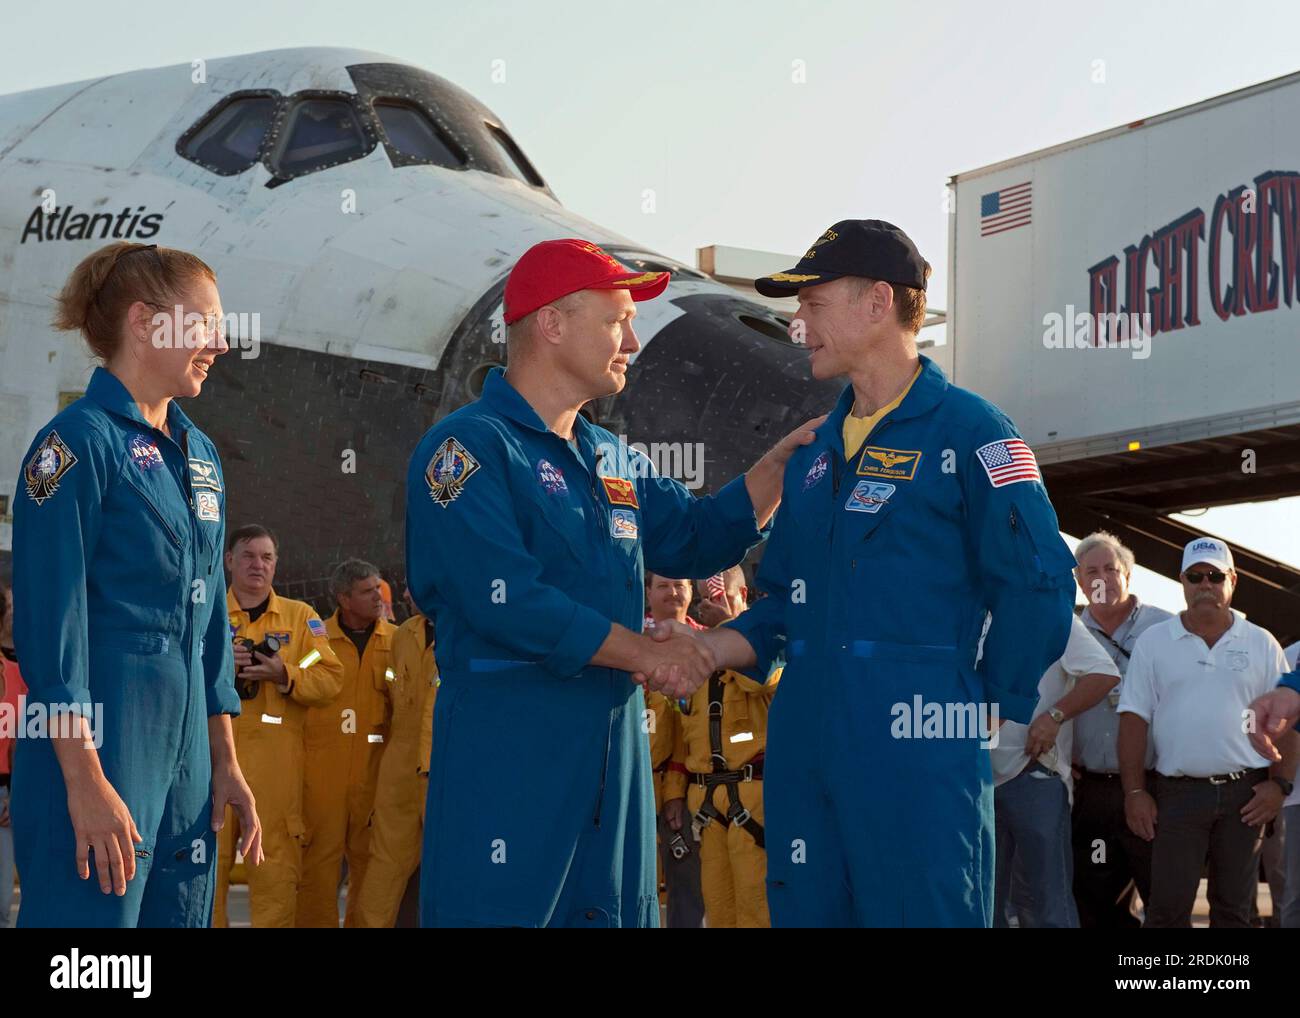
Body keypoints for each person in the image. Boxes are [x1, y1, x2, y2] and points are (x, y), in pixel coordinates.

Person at [648, 220, 1077, 927]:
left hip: (919, 743)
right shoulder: (814, 455)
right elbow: (786, 603)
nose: (798, 323)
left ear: (878, 303)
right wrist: (707, 648)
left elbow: (1039, 582)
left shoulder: (974, 432)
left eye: (813, 304)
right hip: (805, 742)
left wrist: (988, 701)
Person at [405, 237, 820, 927]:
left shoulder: (610, 455)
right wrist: (649, 654)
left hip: (616, 745)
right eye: (616, 320)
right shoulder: (468, 449)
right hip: (511, 744)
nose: (631, 339)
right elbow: (509, 601)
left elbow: (694, 536)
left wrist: (779, 463)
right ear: (552, 323)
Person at [10, 241, 261, 927]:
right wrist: (85, 782)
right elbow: (50, 630)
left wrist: (225, 762)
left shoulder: (200, 455)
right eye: (205, 322)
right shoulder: (74, 446)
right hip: (99, 750)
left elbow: (209, 624)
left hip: (186, 771)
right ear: (148, 322)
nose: (220, 342)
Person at [1120, 537, 1296, 927]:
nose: (1205, 585)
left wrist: (1279, 786)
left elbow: (1285, 721)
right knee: (1166, 911)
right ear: (1182, 581)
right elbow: (1133, 720)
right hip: (1176, 794)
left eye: (1215, 576)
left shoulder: (1261, 643)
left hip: (1244, 795)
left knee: (1235, 911)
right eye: (1196, 576)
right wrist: (1134, 792)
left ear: (1232, 580)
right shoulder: (1154, 643)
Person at [213, 525, 344, 927]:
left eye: (267, 557)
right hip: (212, 759)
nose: (258, 565)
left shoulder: (301, 617)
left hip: (276, 768)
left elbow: (331, 677)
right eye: (249, 555)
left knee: (274, 874)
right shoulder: (207, 611)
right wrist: (219, 666)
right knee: (204, 872)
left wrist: (284, 673)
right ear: (229, 560)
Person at [663, 566, 779, 928]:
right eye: (705, 599)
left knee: (755, 906)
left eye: (719, 594)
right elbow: (685, 736)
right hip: (707, 805)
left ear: (742, 596)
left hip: (752, 799)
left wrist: (732, 626)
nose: (709, 606)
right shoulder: (698, 660)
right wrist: (674, 794)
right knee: (717, 908)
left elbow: (766, 687)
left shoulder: (769, 646)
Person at [990, 614, 1118, 928]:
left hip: (1033, 774)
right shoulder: (961, 605)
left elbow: (1104, 673)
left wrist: (1054, 716)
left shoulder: (1051, 611)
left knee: (1044, 907)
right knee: (983, 906)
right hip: (972, 779)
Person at [1071, 531, 1173, 926]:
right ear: (1079, 581)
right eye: (1090, 571)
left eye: (1110, 570)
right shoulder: (1066, 634)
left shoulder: (1166, 631)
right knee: (1096, 902)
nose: (1101, 579)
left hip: (1152, 788)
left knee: (1162, 898)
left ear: (1128, 575)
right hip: (1091, 793)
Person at [298, 559, 396, 927]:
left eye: (379, 589)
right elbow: (302, 677)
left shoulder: (396, 641)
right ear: (344, 597)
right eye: (368, 591)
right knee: (318, 866)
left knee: (370, 868)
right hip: (323, 776)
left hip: (374, 774)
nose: (378, 597)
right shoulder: (317, 639)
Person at [352, 590, 438, 928]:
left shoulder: (467, 631)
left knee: (451, 869)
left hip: (446, 768)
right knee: (383, 868)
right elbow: (392, 694)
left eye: (414, 586)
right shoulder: (404, 635)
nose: (404, 593)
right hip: (399, 770)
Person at [644, 573, 705, 929]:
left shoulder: (711, 647)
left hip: (689, 792)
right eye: (663, 585)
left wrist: (675, 792)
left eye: (679, 585)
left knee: (688, 893)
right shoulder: (628, 644)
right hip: (635, 785)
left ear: (692, 592)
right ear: (648, 591)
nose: (672, 592)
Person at [0, 581, 23, 927]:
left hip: (10, 792)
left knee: (3, 904)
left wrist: (16, 793)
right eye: (10, 605)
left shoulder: (31, 670)